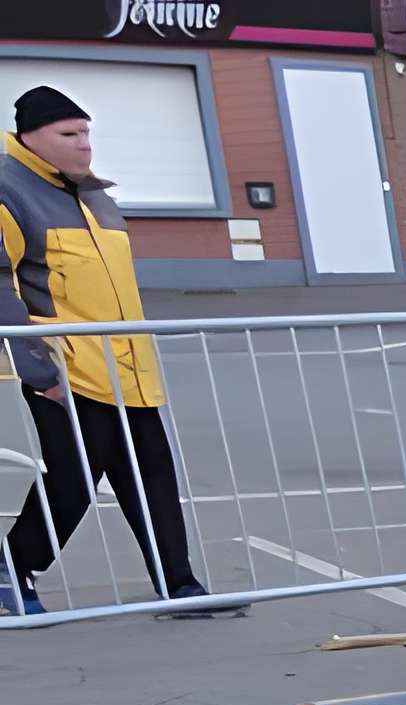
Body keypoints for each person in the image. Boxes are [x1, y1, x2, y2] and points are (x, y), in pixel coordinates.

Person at [1, 85, 235, 617]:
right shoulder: (8, 190)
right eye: (69, 134)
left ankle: (180, 586)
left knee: (152, 473)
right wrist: (39, 370)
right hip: (67, 369)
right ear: (28, 137)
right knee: (72, 481)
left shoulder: (94, 195)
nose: (84, 144)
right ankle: (12, 569)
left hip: (128, 368)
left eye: (86, 132)